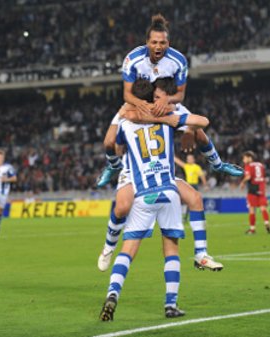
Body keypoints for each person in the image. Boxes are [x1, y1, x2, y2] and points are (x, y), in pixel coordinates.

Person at [99, 79, 210, 321]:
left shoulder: (127, 123)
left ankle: (112, 293)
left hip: (142, 191)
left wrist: (123, 114)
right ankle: (170, 304)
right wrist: (166, 114)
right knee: (171, 249)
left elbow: (112, 145)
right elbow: (202, 122)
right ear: (154, 97)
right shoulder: (169, 119)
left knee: (128, 250)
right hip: (168, 191)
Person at [96, 14, 242, 188]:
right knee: (108, 142)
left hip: (164, 102)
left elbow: (180, 95)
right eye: (154, 42)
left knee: (199, 133)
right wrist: (142, 104)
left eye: (162, 43)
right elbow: (127, 94)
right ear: (147, 42)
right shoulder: (132, 59)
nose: (158, 46)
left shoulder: (178, 61)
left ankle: (218, 165)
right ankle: (113, 166)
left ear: (168, 43)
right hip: (137, 103)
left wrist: (167, 101)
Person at [239, 151, 270, 234]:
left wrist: (242, 182)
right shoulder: (260, 165)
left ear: (249, 158)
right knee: (263, 208)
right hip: (261, 188)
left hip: (253, 188)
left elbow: (248, 176)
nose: (243, 160)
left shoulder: (248, 166)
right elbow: (263, 176)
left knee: (252, 209)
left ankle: (252, 229)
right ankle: (267, 223)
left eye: (244, 158)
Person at [174, 154, 208, 222]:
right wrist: (170, 153)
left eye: (190, 158)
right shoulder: (187, 166)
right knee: (188, 203)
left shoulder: (196, 167)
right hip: (188, 185)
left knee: (196, 202)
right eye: (187, 158)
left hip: (194, 186)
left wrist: (205, 185)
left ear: (193, 159)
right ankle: (186, 218)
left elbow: (202, 176)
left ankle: (200, 217)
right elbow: (178, 161)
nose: (188, 159)